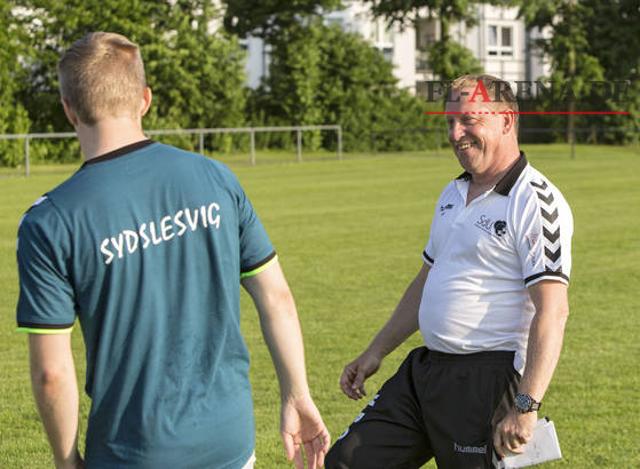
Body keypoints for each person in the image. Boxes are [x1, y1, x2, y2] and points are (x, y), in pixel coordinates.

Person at [16, 32, 329, 469]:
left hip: (133, 453)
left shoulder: (50, 221)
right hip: (230, 443)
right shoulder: (216, 178)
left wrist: (66, 463)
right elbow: (276, 297)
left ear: (68, 109)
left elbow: (51, 374)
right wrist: (297, 394)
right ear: (145, 99)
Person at [325, 74, 573, 469]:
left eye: (469, 120)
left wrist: (526, 405)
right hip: (425, 372)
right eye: (450, 122)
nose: (456, 134)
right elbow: (426, 281)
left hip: (487, 381)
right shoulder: (452, 193)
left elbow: (553, 311)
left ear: (506, 120)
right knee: (347, 461)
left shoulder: (535, 201)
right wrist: (375, 351)